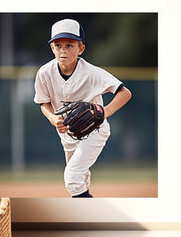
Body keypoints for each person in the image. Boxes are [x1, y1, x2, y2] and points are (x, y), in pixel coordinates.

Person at [33, 18, 131, 197]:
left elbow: (125, 93)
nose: (63, 50)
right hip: (68, 135)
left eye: (70, 45)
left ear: (81, 49)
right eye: (58, 45)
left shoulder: (92, 73)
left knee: (72, 177)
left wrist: (104, 112)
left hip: (95, 129)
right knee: (80, 180)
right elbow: (42, 102)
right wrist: (53, 118)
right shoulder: (44, 73)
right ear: (52, 48)